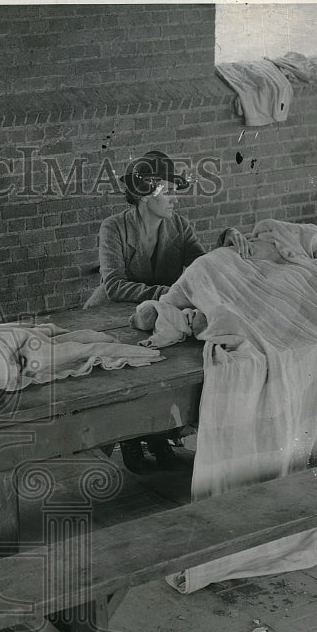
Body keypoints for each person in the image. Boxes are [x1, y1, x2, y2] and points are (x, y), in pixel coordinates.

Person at [84, 150, 207, 472]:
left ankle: (157, 435)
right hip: (111, 315)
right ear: (144, 194)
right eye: (167, 191)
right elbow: (113, 285)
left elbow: (203, 268)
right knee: (126, 373)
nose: (175, 199)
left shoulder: (179, 225)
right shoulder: (113, 228)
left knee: (163, 368)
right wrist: (168, 294)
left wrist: (229, 243)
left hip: (155, 317)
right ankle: (129, 439)